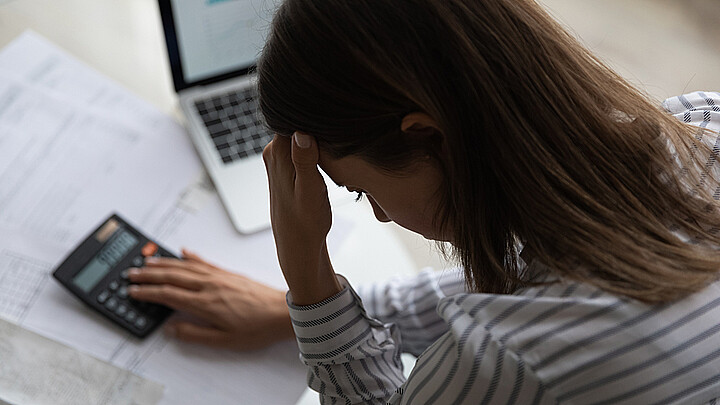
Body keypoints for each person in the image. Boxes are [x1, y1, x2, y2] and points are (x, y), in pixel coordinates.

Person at [128, 0, 720, 403]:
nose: (379, 213)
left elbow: (512, 329)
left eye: (360, 189)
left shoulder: (517, 354)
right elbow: (530, 278)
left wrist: (309, 280)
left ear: (429, 137)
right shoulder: (700, 124)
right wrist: (289, 317)